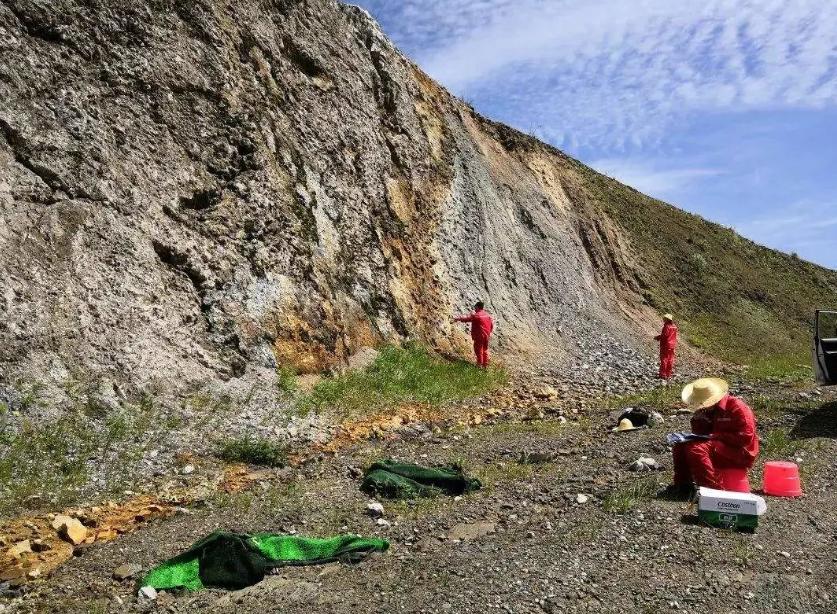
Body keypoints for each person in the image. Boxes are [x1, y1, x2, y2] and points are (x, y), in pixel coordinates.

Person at [660, 378, 759, 499]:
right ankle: (683, 486)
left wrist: (717, 436)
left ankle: (711, 490)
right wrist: (698, 422)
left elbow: (745, 438)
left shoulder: (737, 408)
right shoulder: (708, 410)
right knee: (680, 446)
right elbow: (701, 435)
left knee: (697, 449)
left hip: (739, 452)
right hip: (719, 446)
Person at [453, 301, 494, 368]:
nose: (474, 309)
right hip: (486, 335)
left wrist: (457, 318)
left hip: (479, 336)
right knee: (485, 350)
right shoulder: (487, 315)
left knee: (478, 350)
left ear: (477, 307)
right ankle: (485, 365)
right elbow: (491, 325)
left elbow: (467, 318)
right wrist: (489, 332)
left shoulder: (477, 315)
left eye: (475, 307)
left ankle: (479, 365)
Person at [654, 313, 678, 379]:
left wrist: (658, 337)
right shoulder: (674, 326)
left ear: (667, 319)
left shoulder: (667, 326)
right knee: (670, 359)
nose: (663, 319)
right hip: (672, 345)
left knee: (664, 359)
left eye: (664, 318)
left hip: (666, 345)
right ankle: (668, 374)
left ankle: (662, 374)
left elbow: (665, 335)